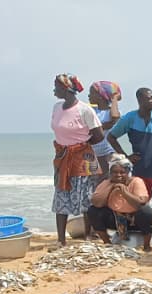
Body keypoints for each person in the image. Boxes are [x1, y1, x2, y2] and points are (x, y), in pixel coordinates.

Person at [51, 73, 104, 248]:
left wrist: (81, 145)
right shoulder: (57, 107)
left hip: (82, 158)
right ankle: (61, 239)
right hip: (62, 158)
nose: (54, 90)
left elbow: (98, 135)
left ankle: (88, 235)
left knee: (86, 197)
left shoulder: (84, 110)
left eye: (56, 87)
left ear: (66, 89)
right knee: (61, 195)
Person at [107, 88, 152, 211]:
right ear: (140, 100)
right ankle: (146, 229)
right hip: (140, 171)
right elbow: (111, 137)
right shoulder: (130, 118)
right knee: (140, 206)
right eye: (149, 98)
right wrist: (126, 157)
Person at [87, 154, 152, 251]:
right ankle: (107, 243)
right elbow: (96, 203)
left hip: (135, 220)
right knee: (93, 211)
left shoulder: (136, 181)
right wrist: (111, 187)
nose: (118, 175)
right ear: (110, 173)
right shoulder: (106, 183)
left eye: (122, 172)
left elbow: (140, 203)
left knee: (145, 210)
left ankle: (146, 245)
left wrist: (124, 192)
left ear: (128, 172)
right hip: (115, 220)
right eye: (115, 172)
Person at [88, 81, 121, 180]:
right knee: (93, 183)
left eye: (92, 93)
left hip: (107, 152)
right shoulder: (91, 111)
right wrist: (104, 126)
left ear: (100, 95)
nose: (89, 95)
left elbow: (115, 117)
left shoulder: (110, 111)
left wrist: (114, 98)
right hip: (92, 153)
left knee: (107, 180)